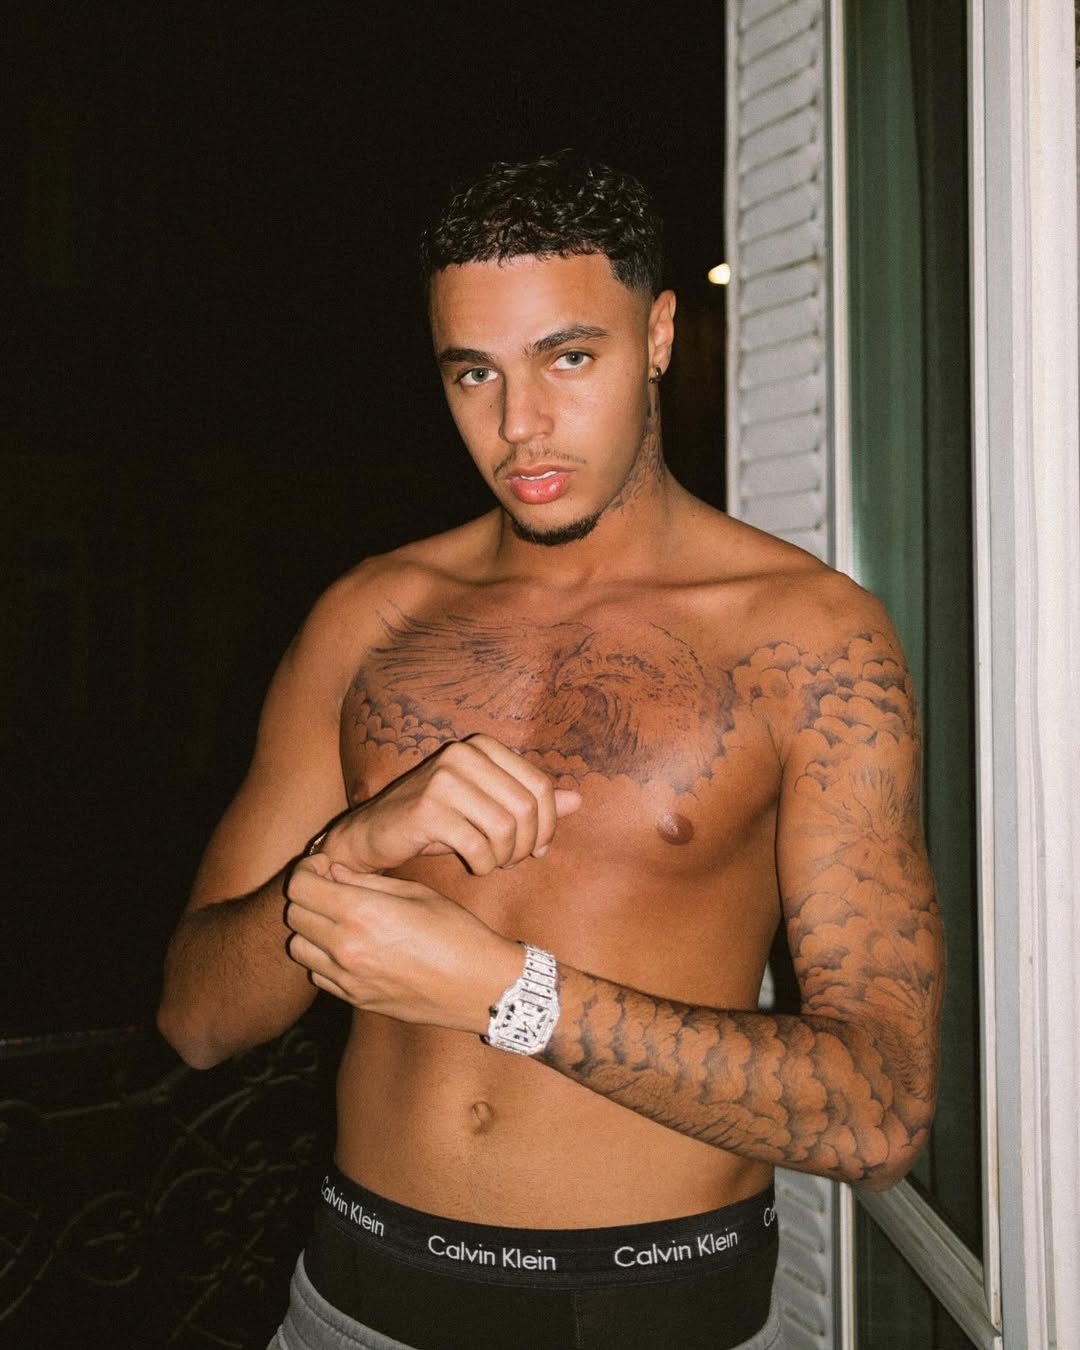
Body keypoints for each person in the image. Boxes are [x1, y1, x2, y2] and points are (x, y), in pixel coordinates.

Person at [157, 150, 944, 1350]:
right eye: (474, 372)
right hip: (350, 1298)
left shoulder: (808, 638)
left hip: (656, 1313)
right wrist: (351, 850)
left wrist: (506, 997)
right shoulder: (371, 617)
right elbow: (197, 1020)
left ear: (659, 335)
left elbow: (879, 1110)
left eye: (568, 358)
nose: (518, 425)